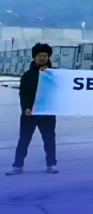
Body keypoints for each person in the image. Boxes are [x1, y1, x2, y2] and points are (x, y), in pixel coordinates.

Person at [7, 43, 58, 175]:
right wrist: (26, 108)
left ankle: (51, 164)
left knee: (49, 139)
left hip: (47, 112)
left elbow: (60, 89)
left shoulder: (54, 74)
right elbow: (23, 94)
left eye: (45, 56)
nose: (43, 58)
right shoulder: (27, 75)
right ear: (35, 57)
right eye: (40, 56)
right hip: (30, 113)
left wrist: (48, 73)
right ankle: (17, 166)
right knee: (24, 139)